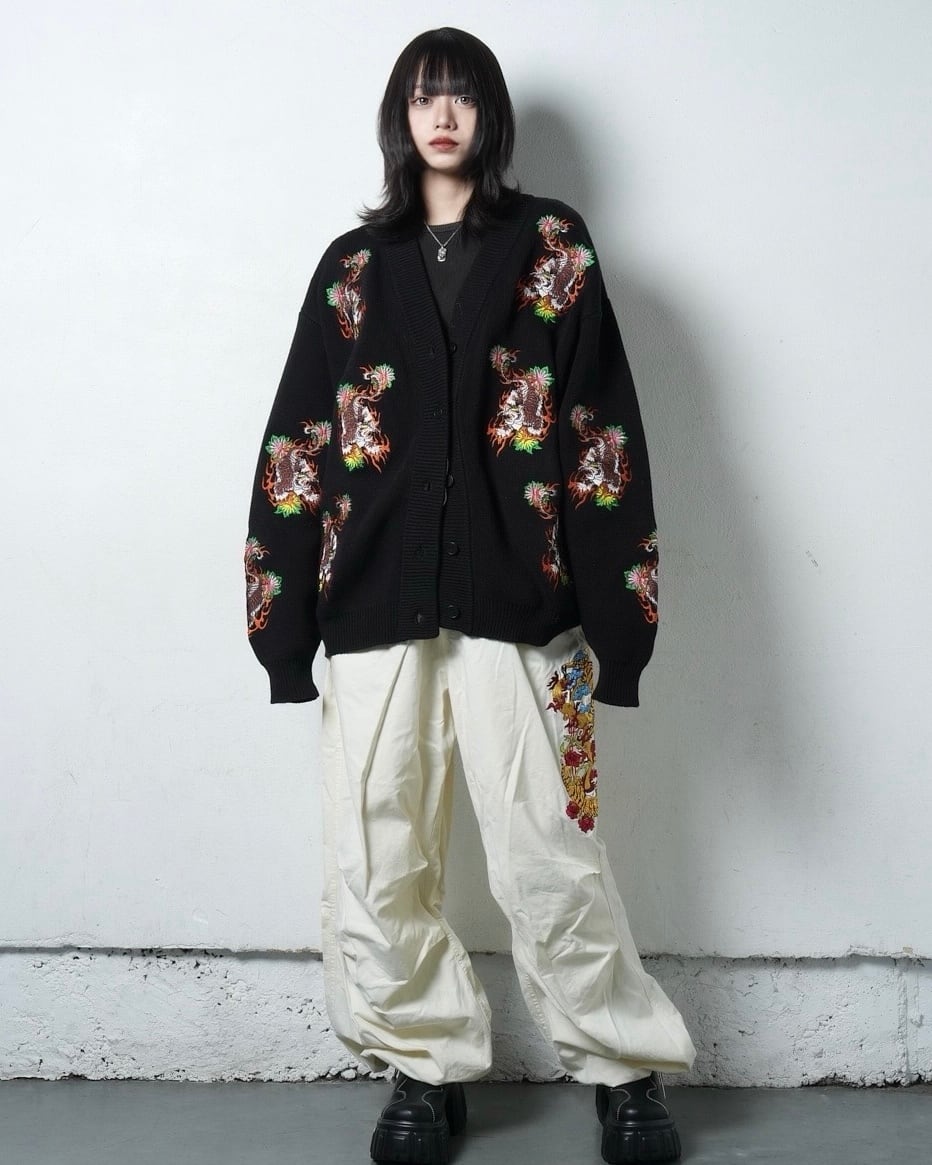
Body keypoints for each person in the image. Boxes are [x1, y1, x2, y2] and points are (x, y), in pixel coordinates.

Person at [245, 25, 698, 1165]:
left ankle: (620, 1066)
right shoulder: (352, 267)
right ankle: (423, 1061)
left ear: (488, 115)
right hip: (371, 609)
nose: (440, 115)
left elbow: (599, 434)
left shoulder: (551, 245)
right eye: (421, 96)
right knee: (376, 851)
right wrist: (281, 622)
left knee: (551, 849)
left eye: (460, 95)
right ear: (398, 117)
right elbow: (298, 443)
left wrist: (621, 624)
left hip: (522, 604)